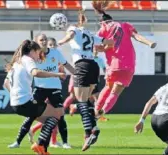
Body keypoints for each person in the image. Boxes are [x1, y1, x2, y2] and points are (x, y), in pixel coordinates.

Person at [58, 9, 114, 151]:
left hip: (81, 65)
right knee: (87, 100)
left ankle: (92, 129)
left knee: (80, 100)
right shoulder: (90, 34)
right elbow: (110, 42)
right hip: (93, 66)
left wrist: (61, 41)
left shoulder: (73, 29)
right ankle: (89, 132)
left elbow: (70, 35)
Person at [92, 1, 157, 117]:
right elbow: (137, 36)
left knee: (108, 87)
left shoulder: (103, 28)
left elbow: (96, 44)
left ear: (102, 22)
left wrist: (97, 50)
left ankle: (96, 109)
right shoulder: (125, 25)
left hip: (113, 65)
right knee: (115, 92)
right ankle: (103, 111)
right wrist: (149, 43)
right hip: (128, 65)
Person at [4, 39, 67, 155]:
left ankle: (43, 150)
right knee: (56, 115)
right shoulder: (28, 60)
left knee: (49, 119)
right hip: (25, 102)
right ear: (32, 51)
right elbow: (36, 73)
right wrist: (56, 74)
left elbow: (6, 83)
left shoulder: (17, 62)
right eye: (38, 52)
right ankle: (40, 145)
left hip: (15, 103)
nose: (39, 55)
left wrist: (15, 95)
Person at [29, 37, 72, 149]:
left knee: (60, 116)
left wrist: (77, 74)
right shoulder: (34, 55)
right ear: (36, 43)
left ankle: (65, 143)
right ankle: (20, 140)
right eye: (41, 40)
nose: (44, 42)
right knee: (32, 113)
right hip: (40, 88)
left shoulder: (55, 53)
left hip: (54, 88)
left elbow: (66, 65)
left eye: (45, 40)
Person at [68, 51, 109, 121]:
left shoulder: (99, 60)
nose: (95, 51)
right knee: (97, 98)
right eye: (94, 49)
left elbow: (104, 68)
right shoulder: (88, 58)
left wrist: (107, 75)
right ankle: (97, 116)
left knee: (89, 99)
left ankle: (75, 106)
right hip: (88, 79)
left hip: (95, 80)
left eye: (96, 49)